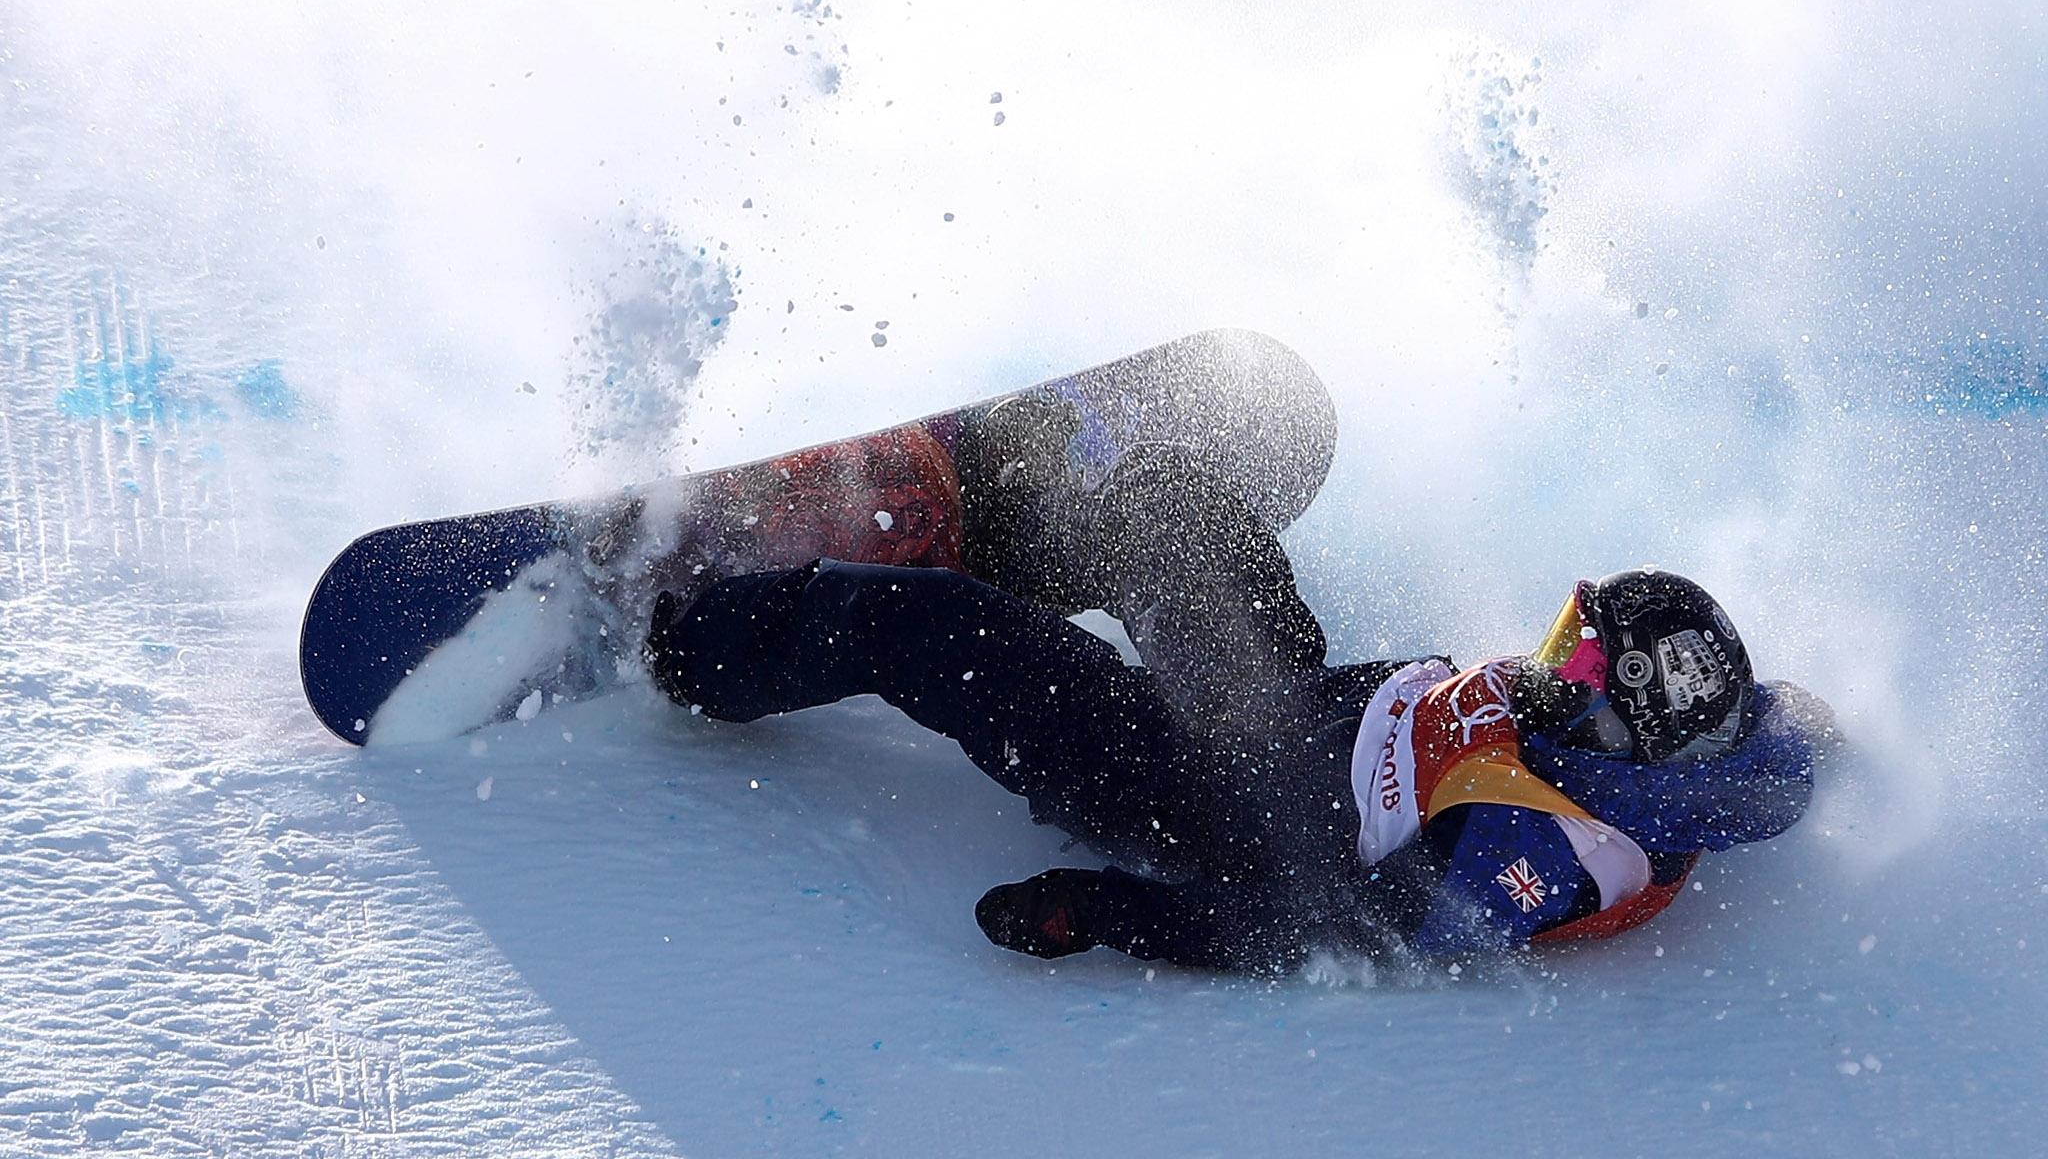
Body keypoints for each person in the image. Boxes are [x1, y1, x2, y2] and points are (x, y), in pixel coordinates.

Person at [642, 402, 1828, 973]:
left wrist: (1101, 912)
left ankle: (676, 631)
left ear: (1622, 722)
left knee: (929, 632)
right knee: (1173, 503)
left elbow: (1310, 933)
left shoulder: (1530, 853)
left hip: (1180, 787)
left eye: (1577, 657)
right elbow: (1767, 724)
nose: (1550, 657)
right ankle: (995, 521)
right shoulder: (1702, 740)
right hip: (1277, 705)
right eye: (1569, 631)